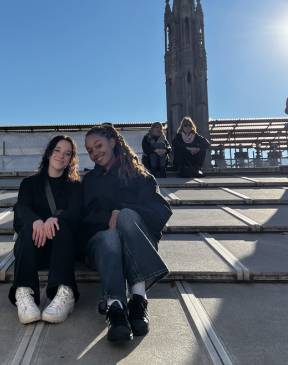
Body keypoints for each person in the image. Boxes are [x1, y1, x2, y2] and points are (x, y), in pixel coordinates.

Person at [83, 124, 172, 344]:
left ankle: (137, 298)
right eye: (90, 150)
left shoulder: (139, 176)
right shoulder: (88, 181)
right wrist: (108, 220)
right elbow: (82, 218)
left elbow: (161, 212)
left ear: (112, 142)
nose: (95, 153)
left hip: (138, 240)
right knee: (111, 236)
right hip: (101, 245)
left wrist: (121, 210)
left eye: (98, 146)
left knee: (125, 216)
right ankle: (116, 308)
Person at [10, 135, 82, 325]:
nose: (61, 156)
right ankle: (25, 294)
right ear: (49, 153)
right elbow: (22, 208)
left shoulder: (75, 187)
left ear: (70, 160)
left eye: (67, 154)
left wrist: (54, 219)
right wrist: (36, 221)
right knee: (26, 229)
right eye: (57, 150)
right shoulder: (29, 183)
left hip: (62, 249)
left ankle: (65, 292)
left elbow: (75, 213)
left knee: (62, 225)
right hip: (34, 248)